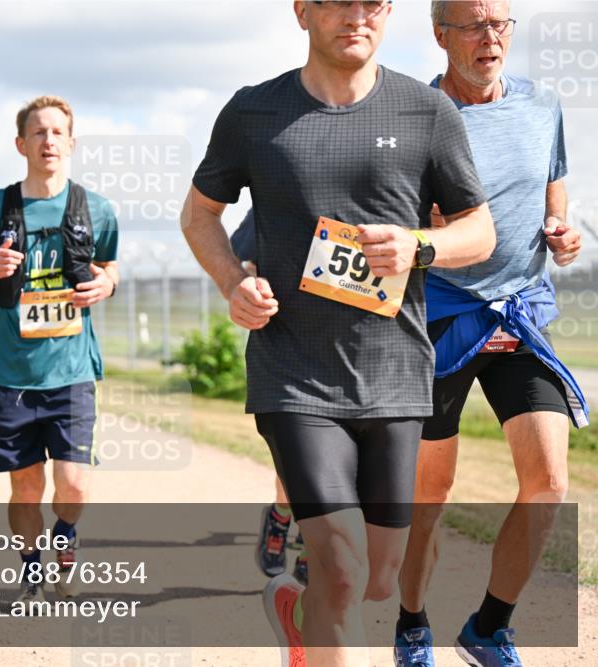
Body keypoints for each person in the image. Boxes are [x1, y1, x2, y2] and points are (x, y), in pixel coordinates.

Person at [182, 1, 497, 664]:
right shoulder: (254, 111)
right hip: (293, 373)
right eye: (338, 1)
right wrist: (233, 283)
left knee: (379, 578)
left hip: (395, 376)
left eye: (372, 2)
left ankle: (298, 610)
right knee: (342, 566)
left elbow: (480, 230)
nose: (357, 15)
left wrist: (419, 245)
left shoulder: (426, 111)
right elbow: (199, 214)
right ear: (303, 12)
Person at [394, 3, 588, 666]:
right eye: (473, 25)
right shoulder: (414, 117)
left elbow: (553, 192)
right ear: (440, 34)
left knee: (550, 480)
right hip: (440, 320)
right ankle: (411, 621)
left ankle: (488, 626)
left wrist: (562, 234)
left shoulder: (541, 106)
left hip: (519, 314)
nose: (490, 38)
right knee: (429, 494)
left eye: (500, 23)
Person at [0, 95, 118, 607]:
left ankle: (65, 537)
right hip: (10, 374)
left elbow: (110, 267)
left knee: (74, 484)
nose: (49, 140)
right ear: (21, 144)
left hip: (71, 370)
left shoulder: (97, 209)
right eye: (38, 132)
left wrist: (107, 284)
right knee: (25, 488)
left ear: (71, 143)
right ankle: (30, 569)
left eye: (57, 132)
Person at [232, 208, 309, 583]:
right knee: (301, 458)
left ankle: (313, 544)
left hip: (358, 345)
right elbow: (244, 260)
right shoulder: (277, 191)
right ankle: (281, 514)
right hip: (292, 341)